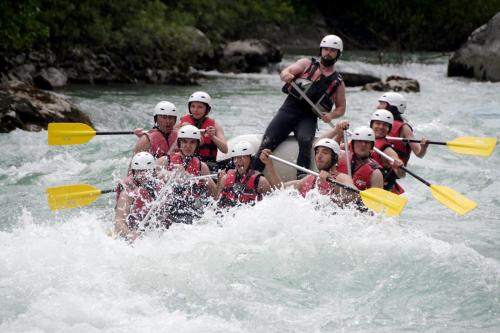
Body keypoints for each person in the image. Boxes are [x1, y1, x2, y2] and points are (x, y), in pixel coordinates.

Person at [252, 34, 347, 179]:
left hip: (308, 117)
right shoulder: (306, 64)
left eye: (332, 50)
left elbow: (341, 108)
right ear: (321, 50)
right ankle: (254, 175)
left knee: (305, 141)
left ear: (337, 54)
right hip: (289, 109)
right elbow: (286, 72)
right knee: (268, 141)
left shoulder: (338, 82)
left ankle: (302, 178)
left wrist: (331, 115)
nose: (328, 53)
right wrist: (286, 75)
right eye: (326, 49)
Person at [260, 138, 356, 205]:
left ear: (335, 158)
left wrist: (332, 181)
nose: (319, 156)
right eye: (317, 152)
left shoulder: (341, 177)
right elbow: (280, 188)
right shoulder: (309, 179)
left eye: (325, 152)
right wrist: (269, 165)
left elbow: (355, 195)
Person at [156, 125, 218, 224]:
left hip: (193, 211)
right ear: (179, 143)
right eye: (184, 141)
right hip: (169, 211)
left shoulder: (202, 167)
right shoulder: (165, 161)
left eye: (192, 142)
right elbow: (152, 176)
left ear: (197, 145)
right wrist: (170, 174)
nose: (188, 146)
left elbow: (214, 194)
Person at [114, 152, 165, 242]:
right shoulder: (127, 193)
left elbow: (170, 175)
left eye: (146, 171)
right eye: (139, 171)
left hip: (151, 229)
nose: (143, 175)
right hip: (131, 232)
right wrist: (130, 234)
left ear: (153, 171)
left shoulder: (158, 183)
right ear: (134, 172)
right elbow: (119, 221)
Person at [176, 91, 228, 171]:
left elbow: (225, 150)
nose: (196, 110)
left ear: (207, 109)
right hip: (185, 161)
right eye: (193, 106)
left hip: (208, 163)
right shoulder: (181, 124)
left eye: (200, 107)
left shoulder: (215, 126)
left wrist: (213, 137)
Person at [377, 92, 429, 164]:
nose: (378, 107)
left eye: (382, 103)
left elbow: (419, 153)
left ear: (392, 107)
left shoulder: (404, 128)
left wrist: (423, 148)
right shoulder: (376, 125)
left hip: (392, 171)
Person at [217, 141, 272, 208]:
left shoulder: (261, 181)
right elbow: (217, 203)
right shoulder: (225, 178)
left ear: (251, 159)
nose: (238, 161)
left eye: (242, 157)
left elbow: (271, 206)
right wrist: (219, 183)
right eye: (235, 158)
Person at [336, 125, 384, 190]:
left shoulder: (376, 174)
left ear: (371, 146)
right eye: (359, 141)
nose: (363, 144)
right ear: (352, 144)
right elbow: (329, 149)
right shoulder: (342, 156)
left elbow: (377, 199)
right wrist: (338, 131)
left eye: (367, 142)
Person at [369, 109, 406, 193]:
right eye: (378, 123)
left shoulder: (387, 150)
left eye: (385, 125)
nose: (381, 127)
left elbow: (402, 174)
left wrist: (399, 167)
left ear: (389, 129)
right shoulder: (361, 141)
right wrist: (339, 130)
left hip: (382, 191)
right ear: (372, 125)